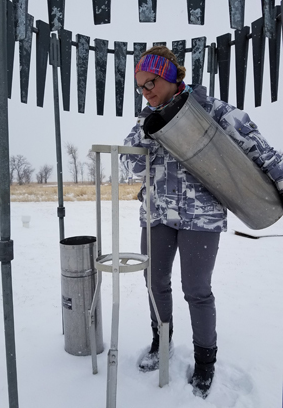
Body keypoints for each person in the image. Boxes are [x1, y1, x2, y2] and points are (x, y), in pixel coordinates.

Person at [120, 45, 283, 399]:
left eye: (152, 82)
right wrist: (147, 130)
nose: (146, 91)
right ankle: (160, 341)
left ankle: (205, 361)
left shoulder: (211, 110)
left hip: (201, 215)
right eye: (141, 86)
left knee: (196, 290)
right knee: (154, 282)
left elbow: (260, 148)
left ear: (172, 76)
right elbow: (129, 167)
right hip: (157, 213)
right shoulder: (146, 119)